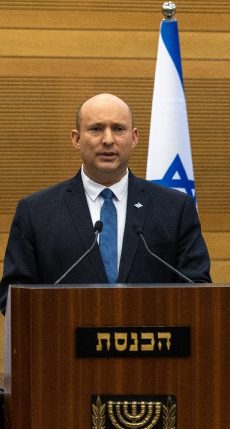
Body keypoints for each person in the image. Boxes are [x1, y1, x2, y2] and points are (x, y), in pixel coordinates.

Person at [0, 93, 211, 313]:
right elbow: (13, 297)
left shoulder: (174, 208)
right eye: (96, 129)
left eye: (119, 129)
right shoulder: (36, 212)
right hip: (64, 343)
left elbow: (197, 287)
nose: (108, 140)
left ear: (134, 137)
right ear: (76, 139)